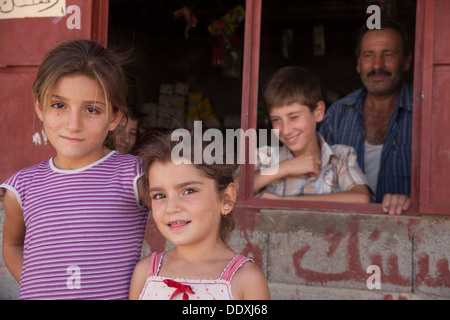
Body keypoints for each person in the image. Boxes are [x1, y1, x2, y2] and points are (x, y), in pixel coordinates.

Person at [1, 39, 151, 300]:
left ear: (115, 118)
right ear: (40, 107)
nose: (73, 124)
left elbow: (182, 216)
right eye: (59, 105)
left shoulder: (133, 176)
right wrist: (39, 286)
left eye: (91, 109)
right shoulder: (22, 186)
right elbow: (13, 245)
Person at [129, 127, 270, 300]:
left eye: (188, 191)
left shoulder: (246, 278)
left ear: (226, 198)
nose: (171, 207)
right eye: (160, 196)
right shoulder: (145, 272)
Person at [319, 18, 413, 214]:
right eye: (369, 55)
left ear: (406, 61)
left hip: (407, 231)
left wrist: (414, 201)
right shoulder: (337, 115)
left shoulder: (426, 114)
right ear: (359, 64)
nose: (377, 65)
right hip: (344, 232)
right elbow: (318, 180)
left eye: (388, 54)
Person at [253, 66, 370, 203]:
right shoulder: (265, 157)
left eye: (294, 117)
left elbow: (361, 198)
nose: (285, 130)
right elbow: (229, 191)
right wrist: (286, 167)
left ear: (318, 112)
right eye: (276, 120)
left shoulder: (342, 157)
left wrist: (284, 202)